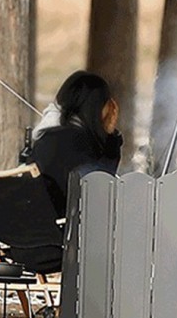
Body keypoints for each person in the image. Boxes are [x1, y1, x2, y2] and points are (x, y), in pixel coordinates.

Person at [29, 70, 124, 218]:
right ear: (97, 106)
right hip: (67, 225)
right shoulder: (80, 142)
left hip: (36, 222)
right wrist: (111, 136)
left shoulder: (47, 136)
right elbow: (101, 184)